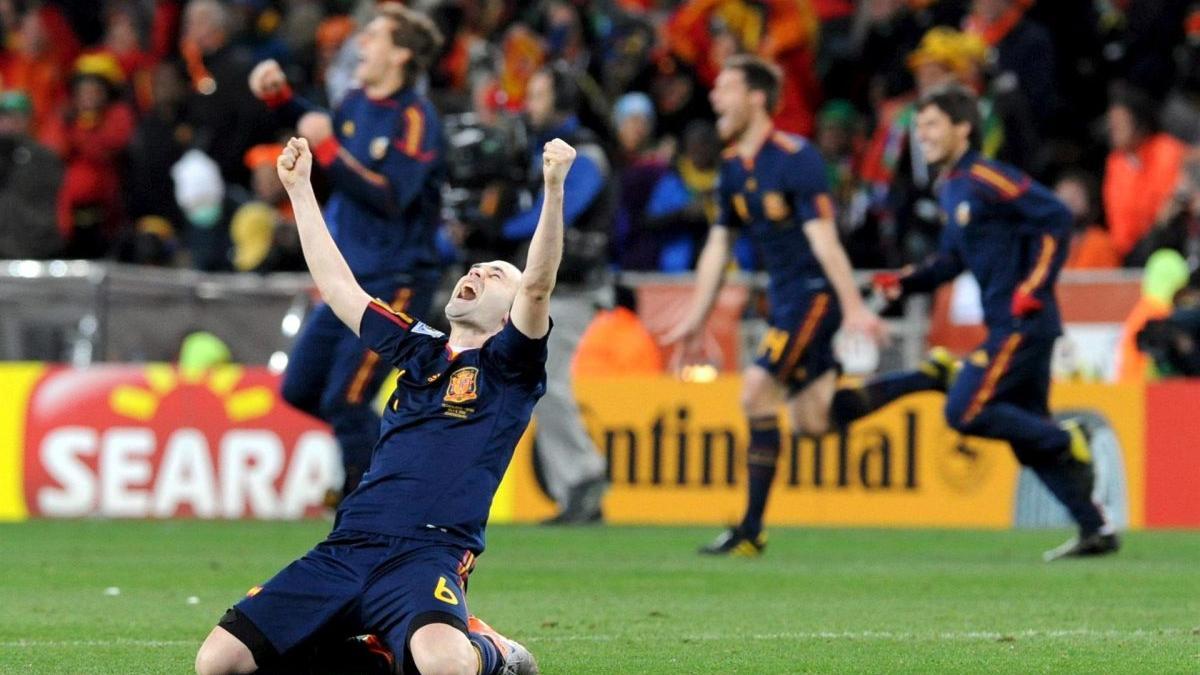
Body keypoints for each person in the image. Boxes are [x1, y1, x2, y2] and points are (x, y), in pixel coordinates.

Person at [192, 134, 569, 675]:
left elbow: (537, 286)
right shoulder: (419, 348)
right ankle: (372, 651)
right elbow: (340, 288)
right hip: (349, 544)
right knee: (217, 664)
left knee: (446, 668)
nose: (477, 272)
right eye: (476, 267)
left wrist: (552, 189)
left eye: (495, 275)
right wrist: (300, 190)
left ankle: (492, 651)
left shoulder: (511, 367)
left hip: (427, 556)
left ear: (510, 315)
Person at [872, 85, 1119, 561]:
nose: (920, 134)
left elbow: (1056, 217)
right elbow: (951, 260)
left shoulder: (987, 176)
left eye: (931, 124)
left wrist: (1035, 286)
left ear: (963, 127)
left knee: (964, 410)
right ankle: (1095, 528)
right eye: (918, 126)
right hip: (1014, 323)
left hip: (1022, 321)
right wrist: (906, 281)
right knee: (1027, 437)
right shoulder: (953, 189)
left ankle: (1068, 438)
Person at [663, 55, 885, 557]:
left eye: (726, 89)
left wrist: (852, 306)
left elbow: (825, 239)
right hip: (783, 300)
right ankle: (930, 379)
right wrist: (696, 321)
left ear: (757, 97)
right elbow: (718, 247)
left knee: (755, 393)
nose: (716, 99)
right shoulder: (732, 168)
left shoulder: (795, 157)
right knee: (813, 419)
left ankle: (751, 530)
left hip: (813, 295)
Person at [248, 4, 446, 500]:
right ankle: (406, 465)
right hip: (346, 282)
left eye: (375, 36)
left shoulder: (417, 118)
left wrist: (331, 151)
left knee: (347, 399)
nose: (362, 43)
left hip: (394, 282)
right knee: (301, 388)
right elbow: (319, 129)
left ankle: (362, 517)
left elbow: (390, 195)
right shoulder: (356, 101)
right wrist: (281, 100)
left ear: (401, 54)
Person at [501, 63, 612, 524]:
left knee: (549, 383)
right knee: (536, 382)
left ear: (562, 101)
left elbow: (557, 213)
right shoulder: (533, 152)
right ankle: (574, 486)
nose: (530, 103)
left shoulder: (585, 155)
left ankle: (584, 478)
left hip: (571, 288)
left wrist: (499, 227)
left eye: (539, 94)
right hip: (546, 288)